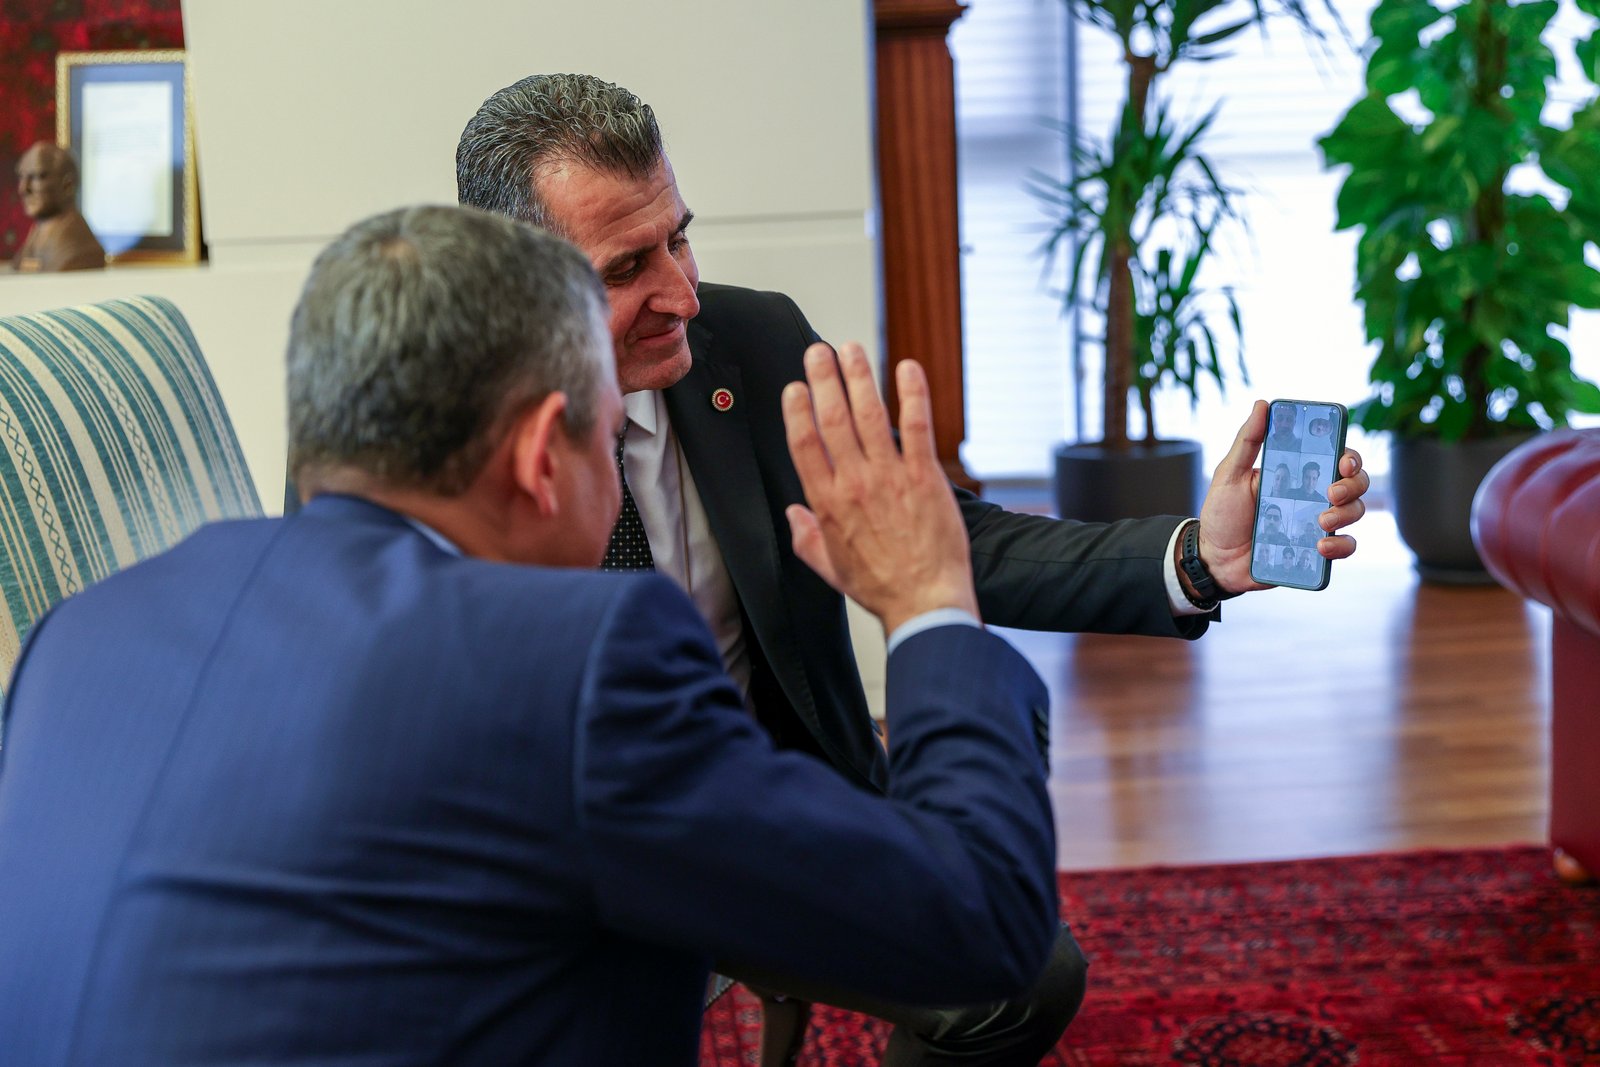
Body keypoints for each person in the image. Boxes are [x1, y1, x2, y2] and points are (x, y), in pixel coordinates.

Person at [0, 205, 1060, 1066]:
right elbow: (980, 922)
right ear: (541, 455)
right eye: (609, 434)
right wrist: (928, 598)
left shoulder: (78, 636)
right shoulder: (578, 663)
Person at [454, 73, 1371, 1064]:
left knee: (1019, 975)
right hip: (547, 858)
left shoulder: (750, 347)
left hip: (755, 804)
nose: (681, 292)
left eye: (679, 238)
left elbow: (950, 540)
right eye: (628, 266)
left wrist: (1200, 556)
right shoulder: (433, 439)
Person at [10, 142, 104, 273]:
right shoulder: (36, 234)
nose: (23, 189)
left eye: (37, 177)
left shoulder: (77, 244)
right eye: (21, 177)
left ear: (67, 185)